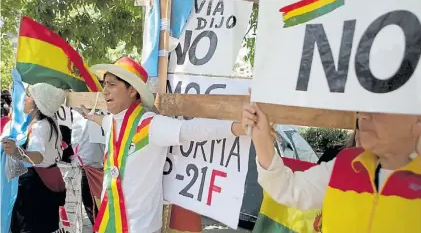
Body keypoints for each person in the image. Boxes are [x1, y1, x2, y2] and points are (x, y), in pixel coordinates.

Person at [80, 57, 246, 233]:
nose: (105, 91)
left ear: (132, 91)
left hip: (141, 228)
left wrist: (238, 127)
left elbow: (194, 130)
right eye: (104, 84)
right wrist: (89, 115)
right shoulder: (112, 121)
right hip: (109, 223)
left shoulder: (151, 125)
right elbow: (102, 120)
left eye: (112, 85)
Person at [242, 103, 421, 233]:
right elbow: (287, 188)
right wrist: (261, 139)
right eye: (362, 106)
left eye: (380, 108)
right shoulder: (346, 165)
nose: (363, 115)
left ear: (417, 120)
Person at [1, 83, 67, 233]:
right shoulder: (49, 122)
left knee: (31, 227)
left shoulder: (40, 126)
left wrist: (17, 152)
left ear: (37, 104)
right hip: (45, 182)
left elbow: (37, 157)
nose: (25, 99)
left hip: (36, 186)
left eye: (29, 96)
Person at [71, 108, 105, 228]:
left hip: (93, 167)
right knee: (94, 210)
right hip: (89, 166)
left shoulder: (102, 115)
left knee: (96, 211)